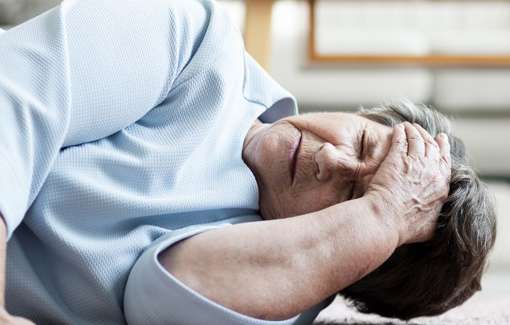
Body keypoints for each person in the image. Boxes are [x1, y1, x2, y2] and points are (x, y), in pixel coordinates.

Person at [0, 0, 496, 324]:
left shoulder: (287, 285)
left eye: (352, 197)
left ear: (351, 260)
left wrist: (383, 215)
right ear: (363, 113)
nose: (331, 159)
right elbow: (12, 100)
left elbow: (164, 300)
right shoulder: (196, 43)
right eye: (365, 143)